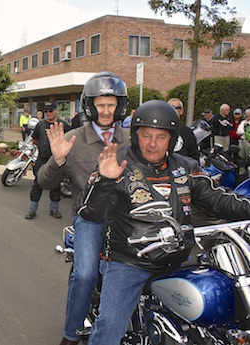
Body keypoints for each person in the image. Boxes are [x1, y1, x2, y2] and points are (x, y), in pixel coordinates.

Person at [76, 99, 250, 345]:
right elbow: (88, 211)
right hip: (129, 261)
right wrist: (104, 181)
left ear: (172, 139)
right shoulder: (117, 164)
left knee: (221, 302)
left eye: (161, 137)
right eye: (146, 135)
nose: (153, 144)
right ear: (136, 135)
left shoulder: (185, 168)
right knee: (109, 328)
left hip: (178, 257)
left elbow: (218, 200)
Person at [37, 71, 130, 345]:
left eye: (111, 104)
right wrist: (57, 159)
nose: (105, 110)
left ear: (120, 106)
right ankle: (71, 334)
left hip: (126, 218)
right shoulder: (73, 139)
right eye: (100, 104)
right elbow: (43, 181)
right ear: (90, 106)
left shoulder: (131, 139)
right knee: (85, 274)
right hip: (90, 219)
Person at [25, 101, 70, 219]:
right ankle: (32, 210)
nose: (48, 113)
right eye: (46, 111)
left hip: (56, 161)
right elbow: (35, 140)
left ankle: (54, 209)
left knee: (56, 185)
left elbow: (69, 140)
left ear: (56, 111)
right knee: (37, 184)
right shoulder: (40, 125)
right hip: (42, 160)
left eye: (50, 111)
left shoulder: (63, 125)